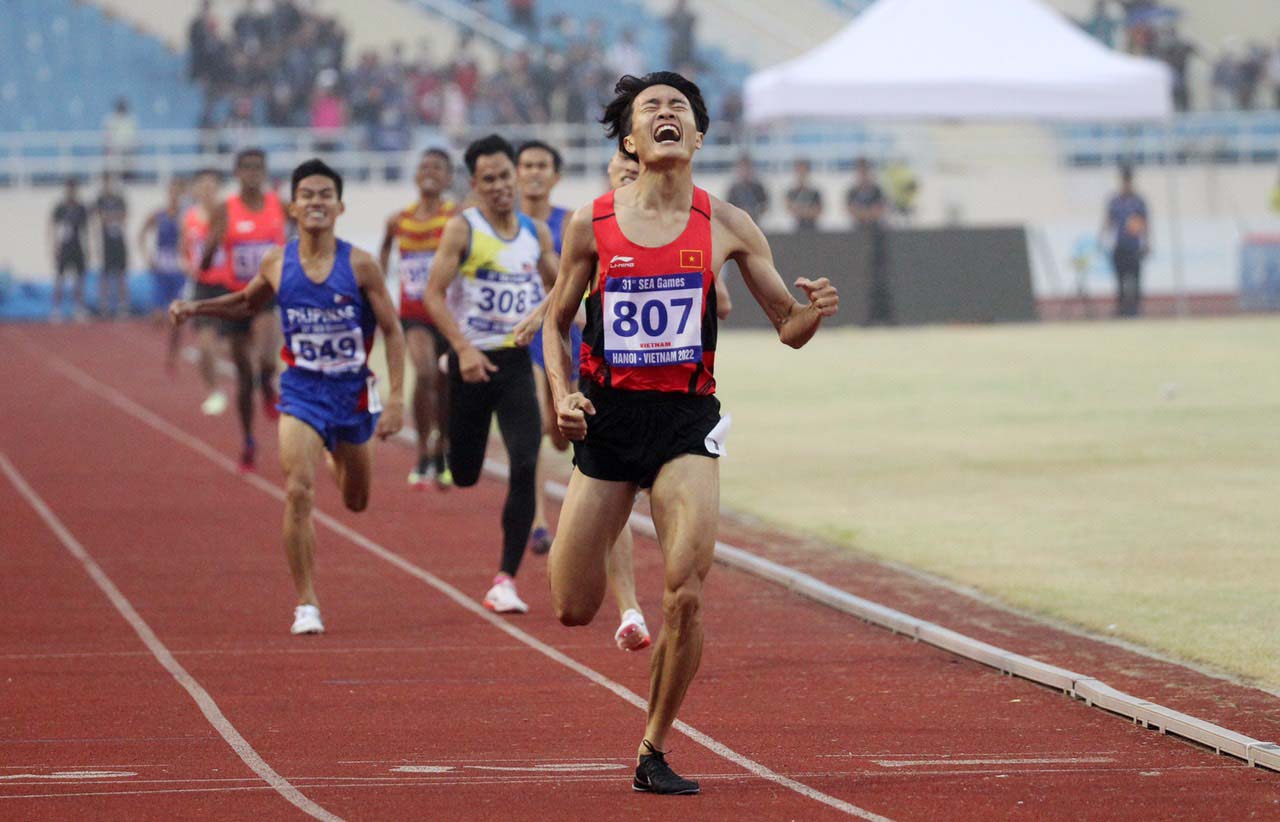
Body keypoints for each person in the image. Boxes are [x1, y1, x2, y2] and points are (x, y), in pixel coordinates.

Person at [542, 72, 838, 795]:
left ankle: (653, 748)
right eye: (652, 108)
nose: (666, 113)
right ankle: (606, 544)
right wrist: (562, 394)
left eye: (679, 107)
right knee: (572, 607)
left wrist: (813, 312)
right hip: (609, 421)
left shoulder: (728, 223)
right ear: (630, 141)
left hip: (685, 421)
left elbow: (787, 326)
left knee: (686, 592)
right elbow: (556, 321)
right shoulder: (591, 223)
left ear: (698, 137)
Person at [170, 158, 405, 635]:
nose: (316, 202)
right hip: (301, 390)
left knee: (356, 500)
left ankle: (335, 452)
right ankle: (307, 603)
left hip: (352, 394)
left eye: (325, 195)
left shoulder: (361, 265)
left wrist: (396, 398)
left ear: (339, 206)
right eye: (307, 195)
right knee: (297, 489)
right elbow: (246, 302)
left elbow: (393, 330)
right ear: (293, 207)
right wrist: (197, 306)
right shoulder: (278, 262)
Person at [514, 146, 654, 653]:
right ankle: (540, 525)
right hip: (580, 368)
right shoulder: (589, 222)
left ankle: (632, 608)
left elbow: (718, 299)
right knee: (547, 437)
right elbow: (564, 288)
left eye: (637, 169)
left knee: (617, 494)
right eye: (622, 168)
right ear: (609, 172)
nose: (630, 174)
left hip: (644, 384)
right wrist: (539, 318)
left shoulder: (667, 226)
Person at [423, 134, 559, 614]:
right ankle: (446, 437)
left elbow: (562, 286)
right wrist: (460, 349)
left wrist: (577, 316)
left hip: (516, 363)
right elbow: (433, 295)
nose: (501, 186)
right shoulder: (463, 230)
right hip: (472, 364)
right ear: (475, 184)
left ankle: (505, 579)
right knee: (464, 473)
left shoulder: (535, 233)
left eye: (506, 176)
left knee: (525, 461)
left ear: (515, 177)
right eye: (489, 179)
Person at [200, 148, 289, 469]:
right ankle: (249, 438)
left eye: (258, 167)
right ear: (237, 173)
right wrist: (212, 245)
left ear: (264, 172)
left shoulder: (279, 206)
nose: (252, 173)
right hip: (236, 297)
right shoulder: (225, 209)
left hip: (265, 295)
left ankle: (268, 381)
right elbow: (205, 261)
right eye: (246, 167)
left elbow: (307, 234)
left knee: (266, 356)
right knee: (244, 375)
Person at [378, 148, 458, 489]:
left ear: (448, 177)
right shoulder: (398, 220)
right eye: (424, 167)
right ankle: (424, 447)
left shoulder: (457, 217)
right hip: (414, 315)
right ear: (415, 175)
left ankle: (443, 445)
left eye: (438, 168)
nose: (430, 172)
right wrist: (380, 290)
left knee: (447, 382)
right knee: (424, 373)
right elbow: (384, 250)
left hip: (450, 315)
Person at [514, 139, 575, 557]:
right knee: (532, 428)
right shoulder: (504, 225)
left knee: (561, 434)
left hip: (564, 332)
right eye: (527, 165)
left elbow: (571, 281)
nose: (534, 172)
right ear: (517, 173)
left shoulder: (570, 222)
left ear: (555, 176)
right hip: (523, 337)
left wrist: (544, 313)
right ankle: (537, 522)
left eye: (542, 166)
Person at [182, 169, 232, 415]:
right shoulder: (190, 217)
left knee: (232, 344)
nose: (207, 191)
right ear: (196, 190)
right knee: (204, 345)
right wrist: (188, 266)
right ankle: (214, 391)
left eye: (211, 186)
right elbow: (184, 249)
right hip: (203, 286)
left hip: (228, 285)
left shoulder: (228, 214)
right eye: (202, 186)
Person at [139, 177, 189, 372]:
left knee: (176, 318)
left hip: (179, 271)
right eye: (172, 191)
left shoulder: (187, 216)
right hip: (161, 270)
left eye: (178, 192)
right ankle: (155, 350)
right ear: (168, 193)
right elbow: (142, 233)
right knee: (158, 318)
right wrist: (147, 256)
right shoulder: (159, 214)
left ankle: (172, 354)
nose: (175, 195)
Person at [845, 158, 893, 325]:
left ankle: (881, 315)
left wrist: (865, 215)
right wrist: (866, 215)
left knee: (879, 276)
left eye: (865, 171)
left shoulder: (877, 191)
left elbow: (880, 209)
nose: (863, 175)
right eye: (860, 171)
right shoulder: (852, 191)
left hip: (876, 237)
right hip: (858, 238)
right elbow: (850, 210)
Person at [1102, 166, 1150, 318]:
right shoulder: (1115, 201)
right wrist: (1102, 238)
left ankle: (1135, 310)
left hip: (1134, 247)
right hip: (1120, 246)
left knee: (1135, 280)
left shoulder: (1138, 202)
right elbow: (1108, 221)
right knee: (1120, 280)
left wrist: (1147, 243)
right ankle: (1121, 310)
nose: (1126, 184)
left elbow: (1145, 223)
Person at [48, 177, 90, 323]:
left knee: (79, 279)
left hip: (77, 246)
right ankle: (56, 309)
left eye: (73, 188)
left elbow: (85, 230)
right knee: (60, 278)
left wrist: (87, 248)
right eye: (69, 188)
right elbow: (54, 228)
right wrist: (54, 247)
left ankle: (79, 308)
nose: (71, 191)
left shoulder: (81, 208)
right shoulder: (60, 207)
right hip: (64, 246)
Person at [94, 171, 129, 318]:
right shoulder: (100, 200)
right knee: (105, 275)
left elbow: (124, 217)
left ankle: (123, 306)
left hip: (118, 241)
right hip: (106, 243)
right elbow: (100, 218)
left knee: (121, 274)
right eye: (106, 182)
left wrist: (109, 217)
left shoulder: (119, 199)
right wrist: (113, 217)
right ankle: (104, 306)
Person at [725, 154, 769, 224]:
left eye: (747, 168)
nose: (745, 171)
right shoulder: (733, 189)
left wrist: (755, 210)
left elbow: (765, 204)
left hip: (755, 222)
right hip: (738, 224)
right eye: (742, 169)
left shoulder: (758, 187)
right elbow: (728, 208)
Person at [784, 158, 822, 232]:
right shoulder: (791, 192)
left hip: (813, 229)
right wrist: (807, 211)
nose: (801, 173)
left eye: (804, 171)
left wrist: (801, 210)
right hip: (796, 228)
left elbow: (817, 211)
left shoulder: (815, 192)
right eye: (799, 170)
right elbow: (790, 209)